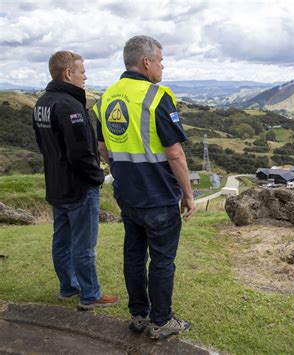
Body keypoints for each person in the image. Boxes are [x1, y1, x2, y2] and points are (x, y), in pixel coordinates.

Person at [93, 36, 195, 339]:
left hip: (128, 195)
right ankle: (162, 321)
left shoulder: (106, 98)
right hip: (159, 195)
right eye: (161, 60)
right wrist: (188, 194)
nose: (163, 66)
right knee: (162, 260)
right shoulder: (156, 96)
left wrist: (123, 171)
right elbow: (175, 153)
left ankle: (139, 315)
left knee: (134, 256)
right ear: (146, 62)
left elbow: (102, 147)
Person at [33, 51, 119, 310]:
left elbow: (44, 145)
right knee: (84, 244)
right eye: (82, 71)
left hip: (56, 183)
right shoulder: (71, 107)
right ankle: (90, 294)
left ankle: (68, 287)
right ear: (68, 73)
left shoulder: (42, 103)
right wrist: (97, 177)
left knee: (61, 240)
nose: (85, 76)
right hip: (79, 187)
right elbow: (81, 152)